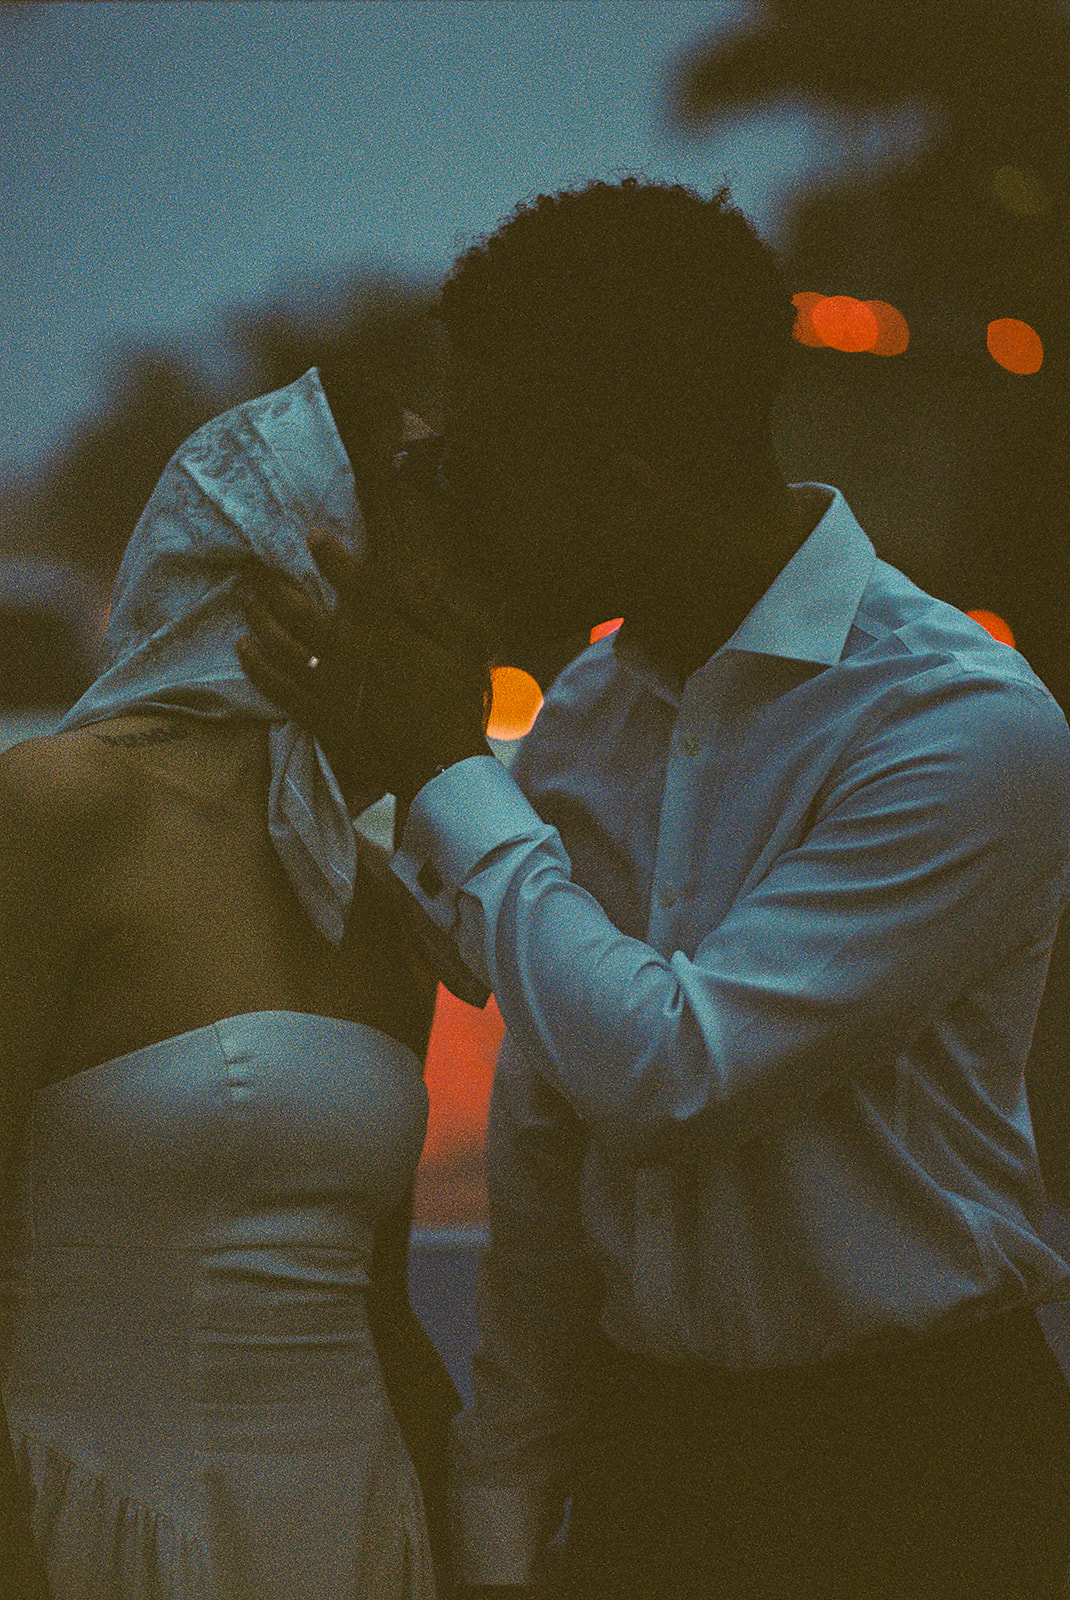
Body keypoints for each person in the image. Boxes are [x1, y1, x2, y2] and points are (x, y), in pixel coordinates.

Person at [237, 177, 1070, 1600]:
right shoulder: (591, 719)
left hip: (922, 1467)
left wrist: (442, 763)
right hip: (656, 1461)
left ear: (617, 483)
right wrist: (504, 1493)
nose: (447, 506)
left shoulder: (956, 726)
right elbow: (554, 1127)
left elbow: (670, 1074)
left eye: (473, 469)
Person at [0, 365, 469, 1600]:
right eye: (415, 546)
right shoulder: (62, 807)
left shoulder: (370, 898)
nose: (450, 597)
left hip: (354, 1523)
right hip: (103, 1519)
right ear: (287, 567)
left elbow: (381, 1308)